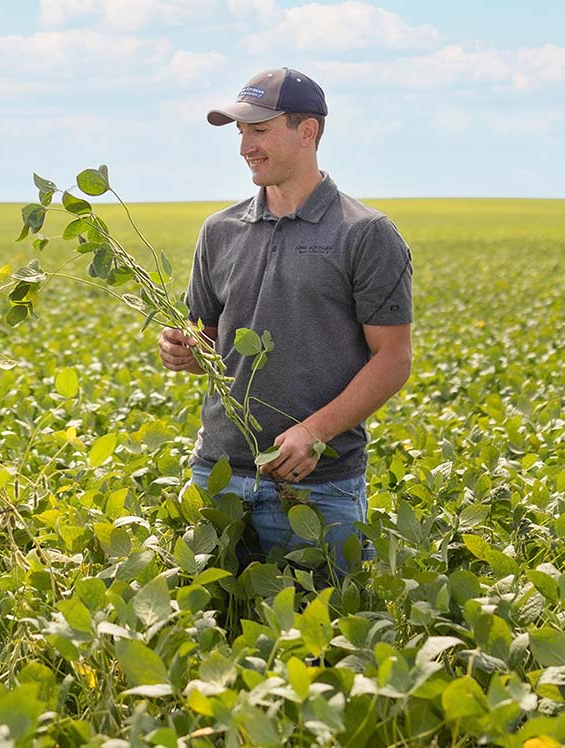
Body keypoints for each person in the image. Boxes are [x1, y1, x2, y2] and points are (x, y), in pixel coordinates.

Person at [159, 69, 413, 576]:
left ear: (308, 132)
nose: (244, 147)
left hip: (318, 484)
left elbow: (393, 359)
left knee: (325, 641)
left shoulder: (365, 234)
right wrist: (184, 349)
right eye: (241, 133)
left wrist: (313, 432)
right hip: (218, 473)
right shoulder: (219, 231)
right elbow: (207, 335)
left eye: (259, 131)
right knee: (214, 634)